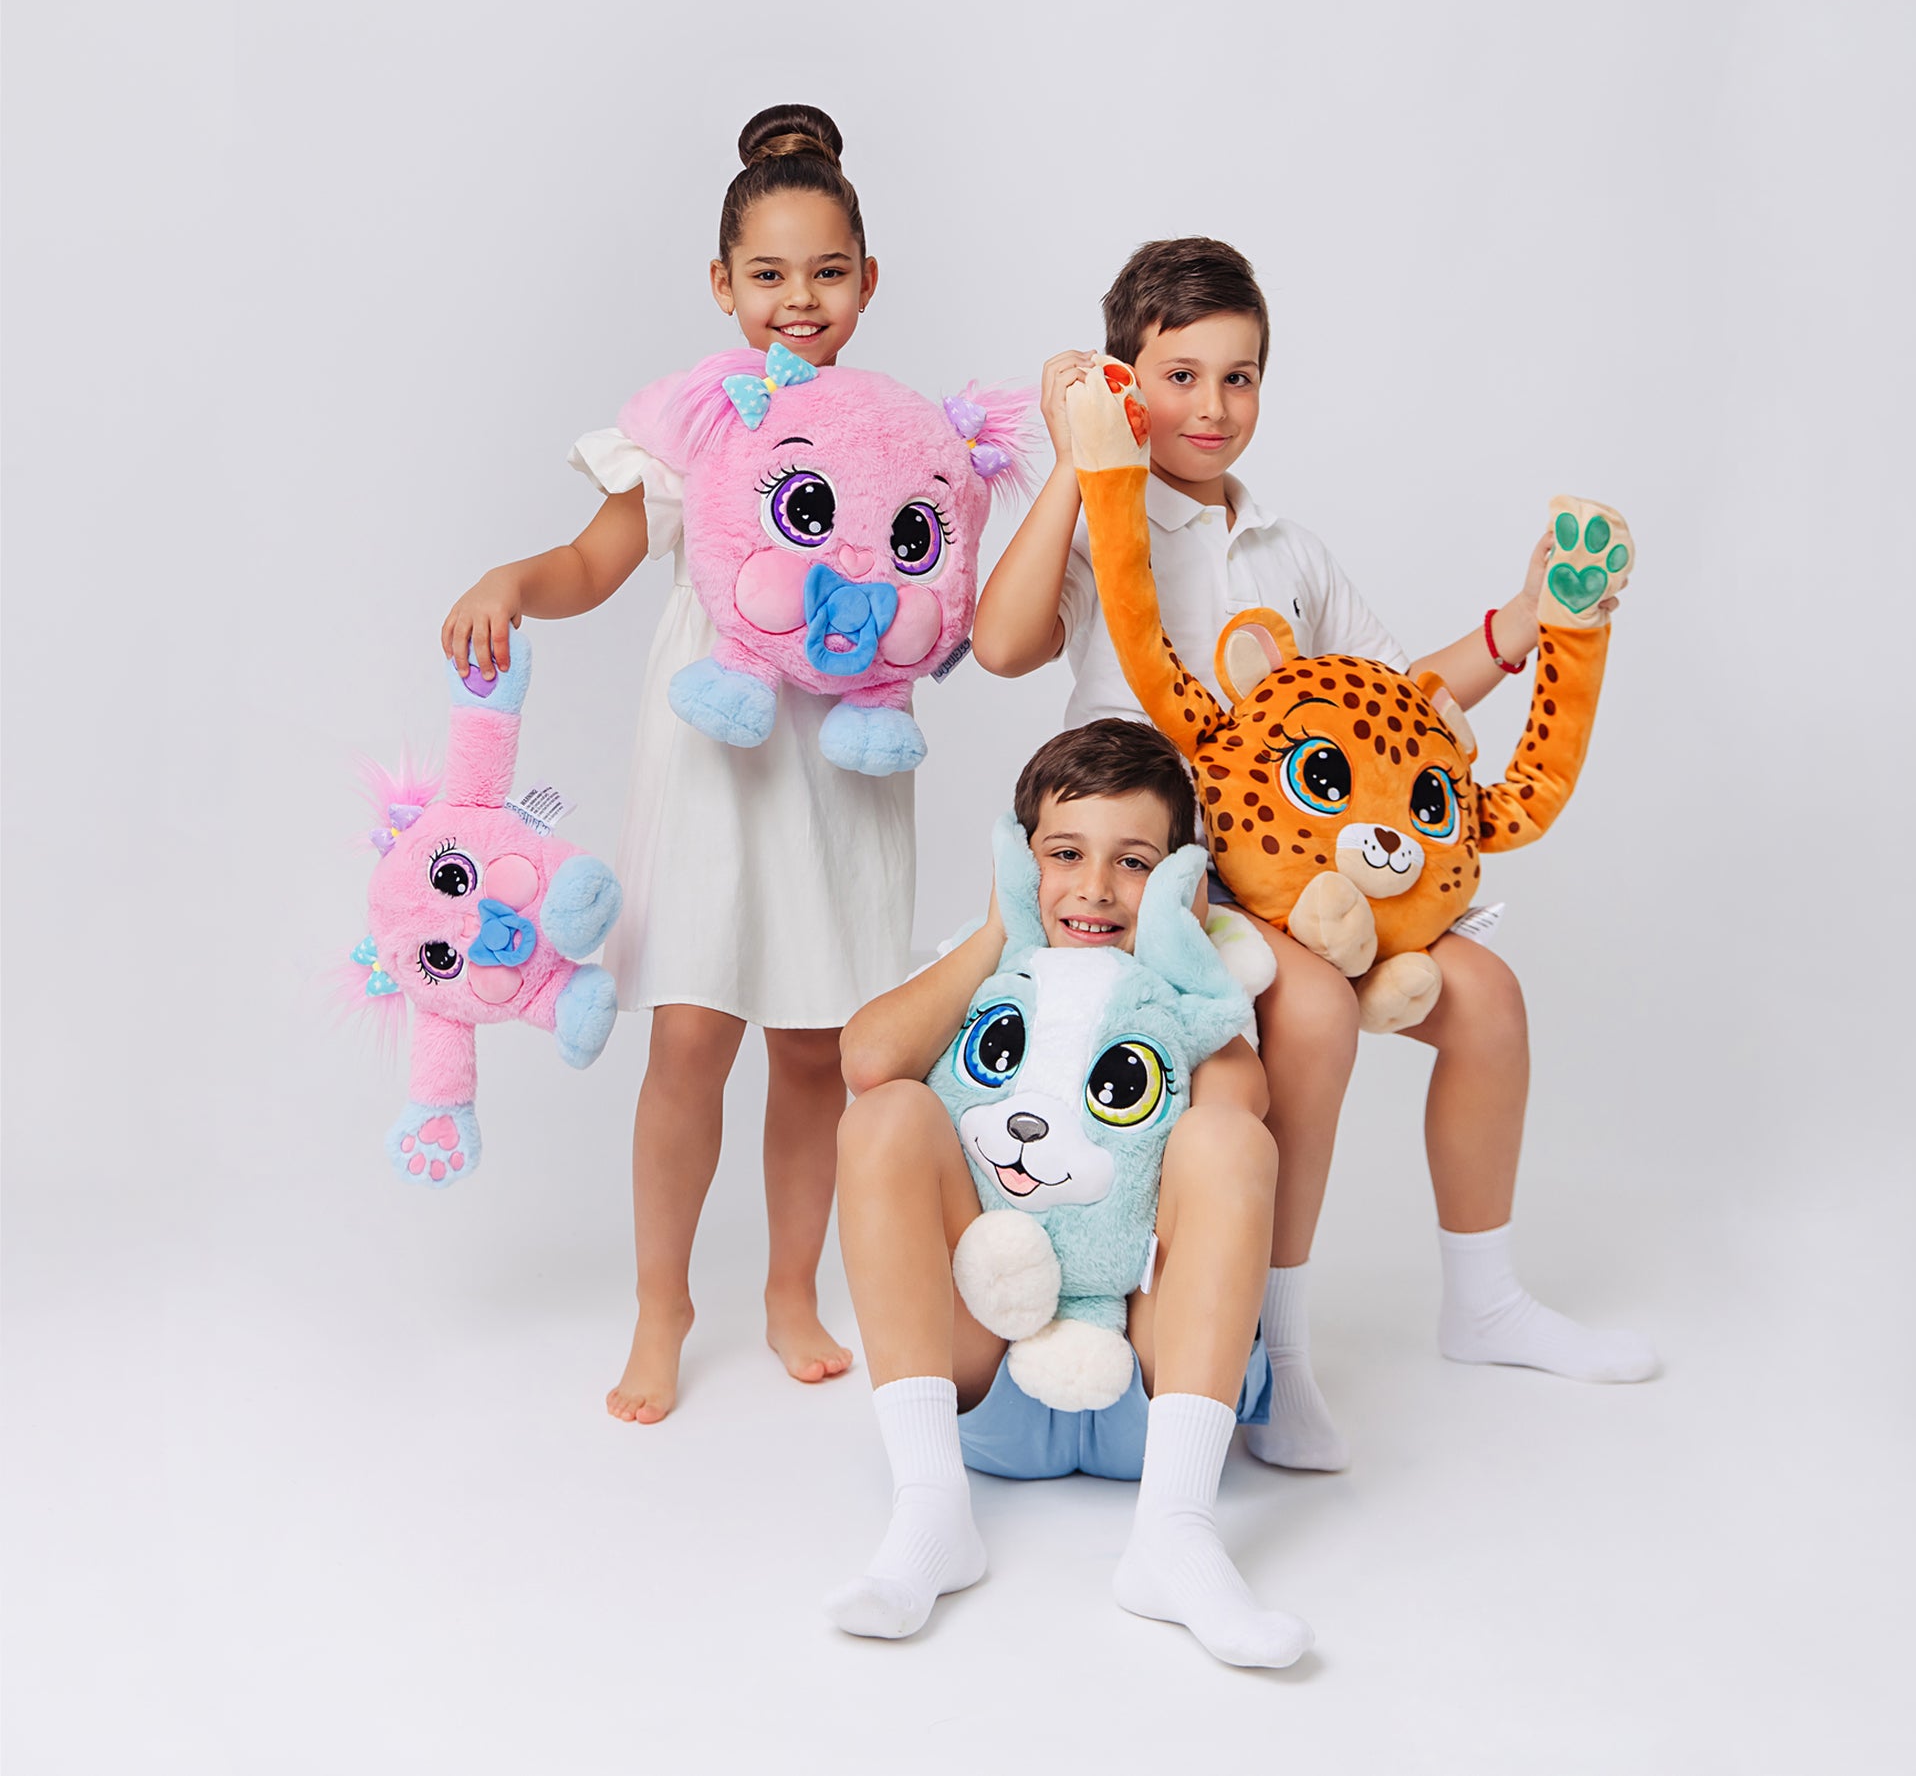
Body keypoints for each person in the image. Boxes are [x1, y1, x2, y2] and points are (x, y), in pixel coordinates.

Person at [973, 237, 1655, 1474]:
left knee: (1487, 996)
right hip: (1161, 876)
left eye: (1239, 377)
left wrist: (1521, 626)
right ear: (1127, 381)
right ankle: (1278, 1355)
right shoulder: (1101, 518)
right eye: (1179, 375)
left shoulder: (1286, 547)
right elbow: (1002, 642)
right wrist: (1081, 464)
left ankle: (1483, 1296)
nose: (1212, 407)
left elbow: (1391, 703)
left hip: (1303, 862)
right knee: (1317, 1014)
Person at [441, 104, 889, 1422]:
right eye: (768, 275)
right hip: (709, 752)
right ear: (722, 287)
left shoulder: (881, 431)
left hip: (837, 753)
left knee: (816, 1043)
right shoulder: (689, 424)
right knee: (690, 1036)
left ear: (868, 281)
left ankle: (789, 1289)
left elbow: (935, 577)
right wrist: (511, 580)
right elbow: (594, 560)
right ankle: (662, 1304)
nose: (797, 300)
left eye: (826, 272)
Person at [827, 719, 1310, 1667]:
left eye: (1135, 864)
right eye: (1064, 855)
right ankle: (930, 1513)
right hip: (988, 1376)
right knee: (884, 1116)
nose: (1094, 888)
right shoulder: (993, 974)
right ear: (1023, 860)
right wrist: (1001, 930)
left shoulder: (1187, 992)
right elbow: (869, 1058)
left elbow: (1239, 1110)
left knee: (1224, 1136)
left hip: (1151, 1373)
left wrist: (1176, 959)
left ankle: (1174, 1532)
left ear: (1179, 881)